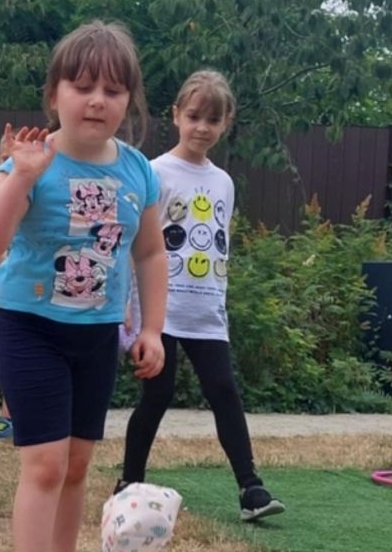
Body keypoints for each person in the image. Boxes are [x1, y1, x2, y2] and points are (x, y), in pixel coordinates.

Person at [0, 20, 168, 552]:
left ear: (129, 101)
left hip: (98, 333)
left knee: (78, 464)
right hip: (32, 329)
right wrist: (21, 178)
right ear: (54, 93)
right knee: (46, 464)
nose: (97, 101)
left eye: (113, 90)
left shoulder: (138, 171)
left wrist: (153, 328)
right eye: (82, 87)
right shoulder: (31, 161)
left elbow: (150, 253)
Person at [118, 69, 283, 522]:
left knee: (224, 391)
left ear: (227, 122)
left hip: (206, 312)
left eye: (213, 119)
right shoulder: (154, 173)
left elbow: (216, 244)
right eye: (193, 117)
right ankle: (128, 483)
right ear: (176, 115)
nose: (202, 128)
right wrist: (130, 307)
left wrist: (218, 302)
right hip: (160, 311)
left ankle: (251, 489)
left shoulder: (224, 182)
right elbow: (139, 245)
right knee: (157, 395)